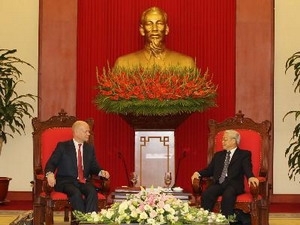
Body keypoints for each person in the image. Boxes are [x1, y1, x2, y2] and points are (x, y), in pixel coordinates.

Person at [191, 129, 259, 221]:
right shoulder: (218, 155)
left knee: (228, 195)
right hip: (219, 183)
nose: (222, 142)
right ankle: (205, 220)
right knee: (207, 194)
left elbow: (247, 168)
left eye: (225, 139)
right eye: (222, 139)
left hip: (234, 184)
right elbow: (209, 170)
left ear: (234, 141)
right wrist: (198, 173)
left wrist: (251, 177)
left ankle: (226, 221)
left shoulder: (244, 154)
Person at [45, 120, 110, 213]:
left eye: (89, 131)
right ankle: (80, 220)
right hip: (65, 182)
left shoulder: (89, 148)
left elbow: (93, 166)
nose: (88, 134)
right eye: (86, 131)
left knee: (92, 191)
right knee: (75, 192)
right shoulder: (63, 146)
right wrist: (49, 174)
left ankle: (88, 221)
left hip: (83, 181)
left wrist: (101, 172)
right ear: (76, 132)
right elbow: (51, 163)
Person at [114, 6, 196, 69]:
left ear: (166, 29)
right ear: (142, 30)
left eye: (159, 23)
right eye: (149, 24)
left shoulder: (186, 63)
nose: (155, 29)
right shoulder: (123, 64)